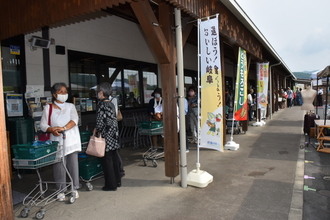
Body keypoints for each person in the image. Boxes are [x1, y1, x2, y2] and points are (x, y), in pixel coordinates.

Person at [40, 82, 81, 201]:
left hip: (71, 140)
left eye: (65, 91)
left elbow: (74, 120)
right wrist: (51, 129)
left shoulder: (70, 106)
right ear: (54, 94)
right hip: (57, 141)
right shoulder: (48, 107)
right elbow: (42, 125)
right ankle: (61, 190)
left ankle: (74, 188)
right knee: (59, 166)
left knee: (73, 165)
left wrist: (63, 128)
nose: (64, 94)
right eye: (61, 91)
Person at [95, 82, 122, 191]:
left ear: (101, 92)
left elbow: (100, 122)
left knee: (107, 161)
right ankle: (117, 181)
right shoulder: (110, 103)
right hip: (113, 135)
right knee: (114, 159)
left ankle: (111, 185)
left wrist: (97, 130)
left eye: (97, 91)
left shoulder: (101, 104)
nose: (97, 94)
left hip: (106, 136)